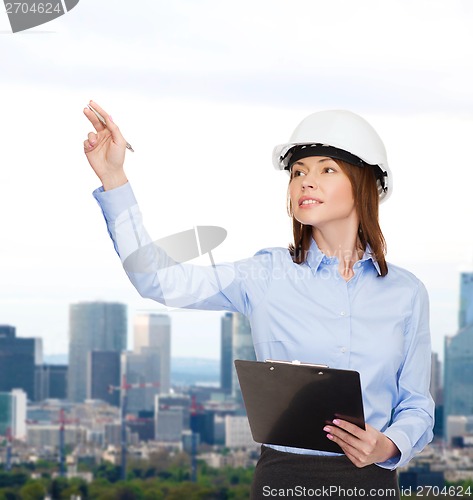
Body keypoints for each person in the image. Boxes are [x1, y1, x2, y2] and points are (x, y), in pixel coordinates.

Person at [83, 102, 434, 498]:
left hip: (372, 483)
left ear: (366, 183)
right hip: (282, 479)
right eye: (298, 171)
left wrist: (388, 445)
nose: (305, 181)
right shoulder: (265, 274)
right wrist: (114, 178)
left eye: (326, 169)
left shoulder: (406, 293)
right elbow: (159, 281)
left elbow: (417, 404)